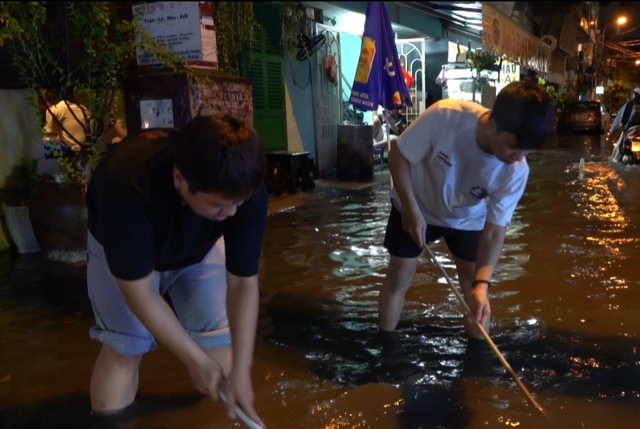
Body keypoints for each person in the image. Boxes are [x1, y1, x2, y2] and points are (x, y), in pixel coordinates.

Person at [85, 114, 268, 428]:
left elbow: (242, 283)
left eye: (237, 203)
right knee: (126, 346)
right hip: (123, 248)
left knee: (219, 356)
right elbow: (140, 294)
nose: (232, 213)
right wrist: (193, 359)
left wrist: (241, 370)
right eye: (219, 206)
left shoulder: (242, 188)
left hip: (197, 249)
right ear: (180, 180)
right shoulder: (126, 185)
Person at [377, 79, 555, 339]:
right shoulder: (446, 116)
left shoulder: (517, 170)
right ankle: (384, 347)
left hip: (467, 219)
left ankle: (478, 366)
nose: (518, 157)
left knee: (476, 294)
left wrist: (483, 284)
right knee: (399, 277)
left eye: (527, 150)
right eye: (514, 146)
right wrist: (410, 209)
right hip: (416, 203)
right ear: (492, 124)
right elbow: (398, 157)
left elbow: (494, 232)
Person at [41, 89, 92, 155]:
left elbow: (49, 136)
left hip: (77, 148)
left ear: (47, 103)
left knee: (44, 145)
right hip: (91, 145)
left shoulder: (53, 109)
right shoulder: (80, 106)